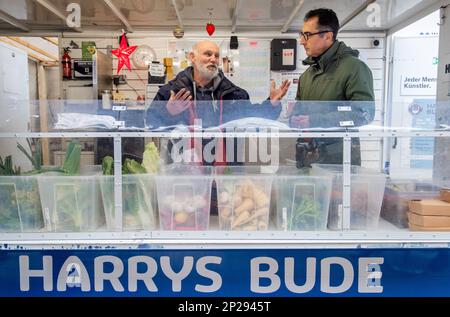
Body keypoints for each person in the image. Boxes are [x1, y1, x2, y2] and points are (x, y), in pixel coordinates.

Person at [147, 40, 290, 165]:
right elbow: (150, 123)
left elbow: (253, 118)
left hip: (225, 174)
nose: (213, 59)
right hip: (183, 172)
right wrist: (168, 112)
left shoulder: (234, 95)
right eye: (207, 54)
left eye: (216, 56)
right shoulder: (172, 92)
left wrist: (271, 104)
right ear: (192, 57)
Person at [290, 8, 375, 167]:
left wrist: (313, 120)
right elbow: (299, 110)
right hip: (307, 159)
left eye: (307, 35)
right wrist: (294, 118)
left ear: (328, 36)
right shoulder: (306, 76)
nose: (302, 41)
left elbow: (363, 114)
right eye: (301, 35)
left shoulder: (354, 68)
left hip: (338, 163)